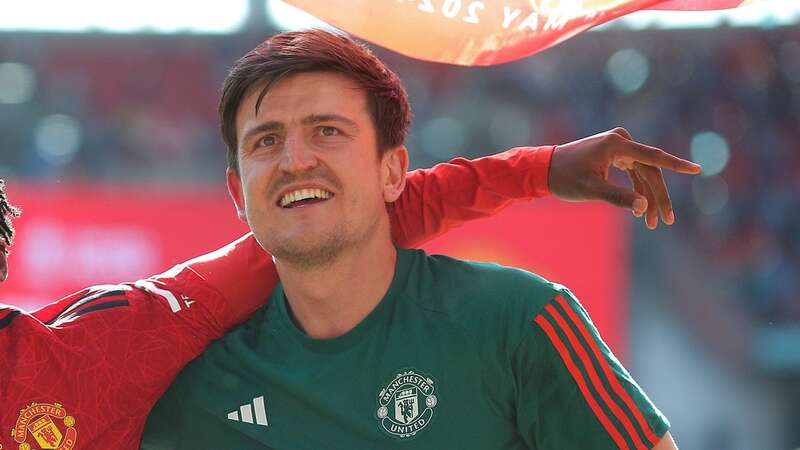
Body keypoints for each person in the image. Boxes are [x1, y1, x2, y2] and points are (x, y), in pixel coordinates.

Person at [140, 30, 688, 450]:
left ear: (393, 173)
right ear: (238, 191)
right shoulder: (198, 389)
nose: (295, 160)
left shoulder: (521, 323)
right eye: (265, 140)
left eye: (328, 131)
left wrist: (538, 168)